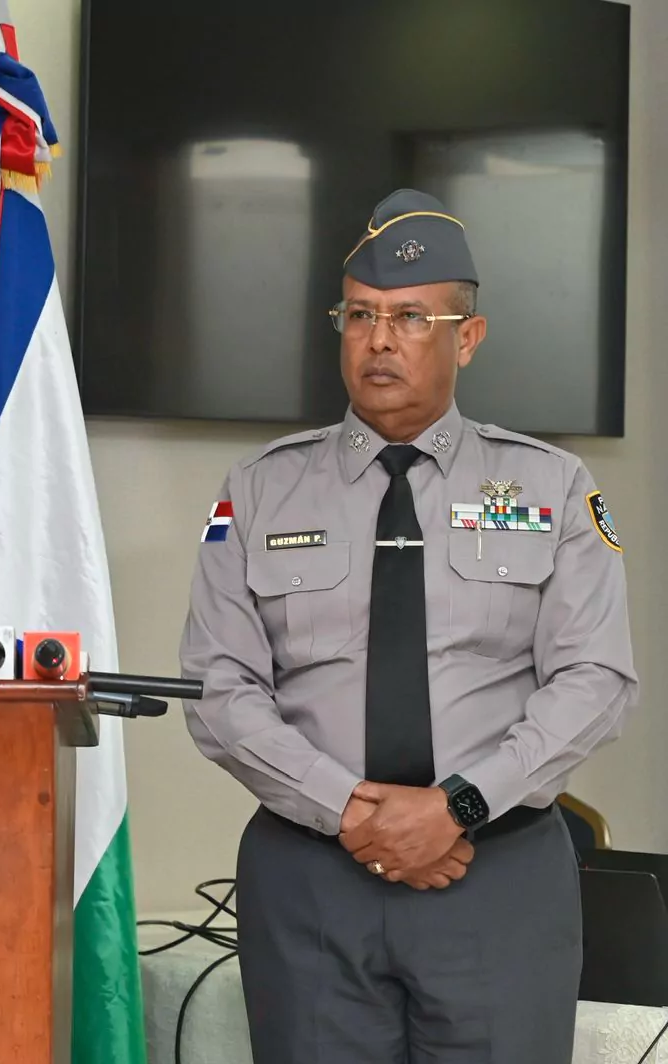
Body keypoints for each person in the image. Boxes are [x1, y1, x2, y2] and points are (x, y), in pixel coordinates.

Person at [179, 189, 636, 1062]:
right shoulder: (260, 488)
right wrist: (349, 808)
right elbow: (218, 687)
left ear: (469, 337)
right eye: (359, 315)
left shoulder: (553, 487)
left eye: (411, 318)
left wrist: (456, 807)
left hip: (495, 879)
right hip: (312, 882)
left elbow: (597, 681)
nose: (379, 340)